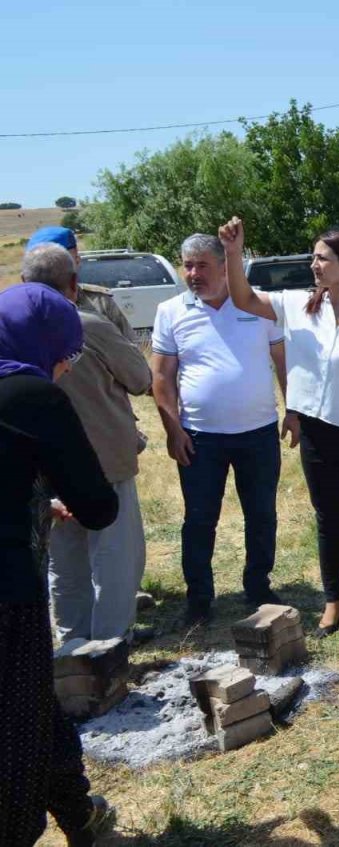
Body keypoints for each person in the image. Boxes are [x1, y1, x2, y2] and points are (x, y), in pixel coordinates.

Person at [220, 218, 339, 639]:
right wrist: (233, 253)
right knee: (329, 519)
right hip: (317, 434)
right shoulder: (297, 307)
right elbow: (243, 298)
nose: (314, 265)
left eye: (323, 259)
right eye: (313, 257)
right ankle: (334, 602)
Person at [0, 284, 119, 846]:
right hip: (7, 593)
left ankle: (79, 813)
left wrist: (28, 496)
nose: (67, 366)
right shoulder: (32, 395)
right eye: (66, 354)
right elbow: (96, 506)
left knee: (34, 706)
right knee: (15, 732)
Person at [151, 234, 288, 625]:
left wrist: (293, 410)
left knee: (261, 514)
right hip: (199, 437)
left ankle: (258, 587)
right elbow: (161, 376)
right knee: (199, 519)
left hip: (258, 431)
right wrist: (172, 429)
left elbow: (283, 360)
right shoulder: (171, 311)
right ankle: (199, 598)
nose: (193, 274)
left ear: (226, 267)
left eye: (202, 265)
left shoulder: (258, 305)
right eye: (187, 265)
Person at [22, 244, 152, 643]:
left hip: (45, 464)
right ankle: (110, 647)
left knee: (65, 559)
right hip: (104, 458)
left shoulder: (14, 331)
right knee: (115, 556)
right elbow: (141, 379)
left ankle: (72, 646)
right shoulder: (89, 326)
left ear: (25, 283)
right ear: (74, 284)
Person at [26, 226, 135, 341]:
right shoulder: (22, 309)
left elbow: (130, 345)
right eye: (41, 266)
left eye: (60, 263)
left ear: (77, 261)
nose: (52, 272)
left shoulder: (99, 302)